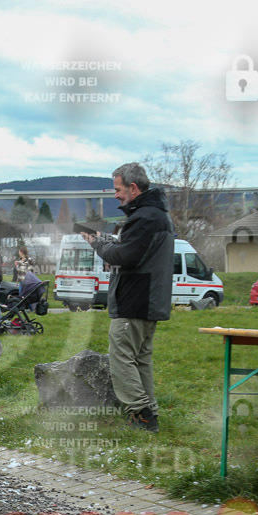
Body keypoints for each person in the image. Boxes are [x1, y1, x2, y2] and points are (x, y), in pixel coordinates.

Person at [80, 162, 173, 432]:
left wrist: (97, 243)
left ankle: (140, 413)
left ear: (133, 188)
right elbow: (133, 249)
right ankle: (149, 412)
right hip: (149, 299)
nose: (116, 196)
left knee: (121, 357)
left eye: (118, 190)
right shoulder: (157, 214)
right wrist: (108, 239)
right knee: (140, 358)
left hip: (135, 299)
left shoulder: (144, 217)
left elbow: (125, 256)